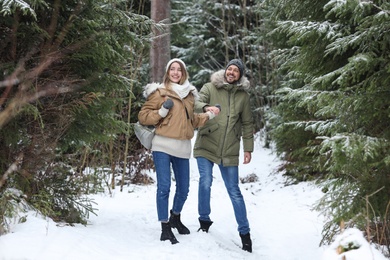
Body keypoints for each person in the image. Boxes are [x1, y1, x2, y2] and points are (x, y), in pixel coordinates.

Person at [138, 58, 217, 245]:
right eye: (172, 69)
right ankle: (165, 227)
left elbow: (192, 121)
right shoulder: (159, 92)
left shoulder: (189, 95)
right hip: (162, 146)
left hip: (182, 147)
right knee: (164, 187)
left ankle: (175, 217)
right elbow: (143, 116)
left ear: (183, 73)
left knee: (184, 189)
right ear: (167, 72)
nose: (175, 72)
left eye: (179, 70)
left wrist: (210, 115)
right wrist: (161, 113)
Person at [193, 58, 254, 252]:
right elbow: (196, 103)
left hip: (229, 149)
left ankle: (245, 234)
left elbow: (247, 123)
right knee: (205, 181)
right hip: (206, 143)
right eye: (230, 69)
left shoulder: (243, 96)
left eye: (236, 71)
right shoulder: (210, 87)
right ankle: (204, 221)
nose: (232, 72)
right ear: (225, 71)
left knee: (234, 191)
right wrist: (206, 108)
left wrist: (248, 148)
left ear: (239, 75)